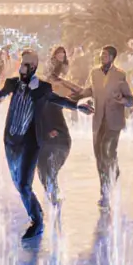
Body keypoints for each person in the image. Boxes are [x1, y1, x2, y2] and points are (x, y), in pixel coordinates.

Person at [0, 49, 92, 240]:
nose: (21, 67)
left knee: (24, 185)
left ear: (33, 67)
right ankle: (36, 215)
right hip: (11, 142)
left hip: (30, 143)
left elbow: (58, 100)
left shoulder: (42, 88)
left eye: (25, 64)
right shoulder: (12, 83)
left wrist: (77, 106)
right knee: (19, 185)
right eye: (21, 63)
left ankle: (37, 221)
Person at [77, 45, 133, 207]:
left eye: (105, 55)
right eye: (101, 55)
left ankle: (108, 185)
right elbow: (92, 91)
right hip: (98, 121)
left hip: (114, 121)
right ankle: (105, 188)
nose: (102, 57)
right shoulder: (94, 73)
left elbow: (131, 100)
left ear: (112, 57)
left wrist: (121, 100)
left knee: (106, 151)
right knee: (99, 156)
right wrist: (79, 96)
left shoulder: (120, 75)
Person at [40, 45, 80, 206]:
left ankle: (53, 192)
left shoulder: (62, 85)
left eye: (63, 56)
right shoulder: (47, 84)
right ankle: (52, 192)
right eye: (58, 56)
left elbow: (78, 92)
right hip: (46, 124)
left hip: (56, 124)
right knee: (43, 166)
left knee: (50, 166)